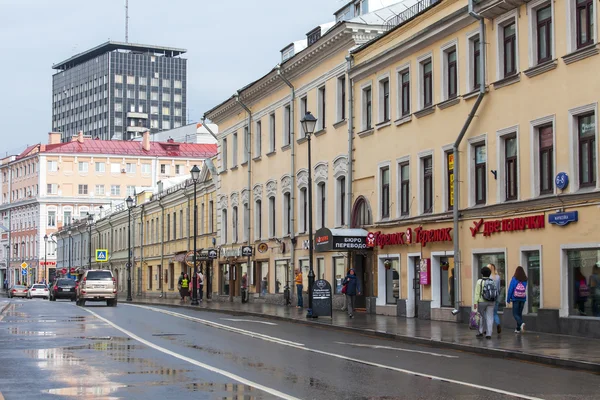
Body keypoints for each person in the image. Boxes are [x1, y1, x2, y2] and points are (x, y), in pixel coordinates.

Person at [474, 266, 496, 339]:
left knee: (481, 317)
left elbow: (477, 293)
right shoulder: (492, 281)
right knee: (490, 317)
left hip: (481, 302)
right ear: (489, 274)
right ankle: (489, 334)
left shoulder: (479, 281)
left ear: (482, 273)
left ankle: (480, 332)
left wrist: (475, 303)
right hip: (491, 302)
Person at [506, 266, 528, 333]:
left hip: (515, 298)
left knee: (515, 314)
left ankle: (521, 323)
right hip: (522, 298)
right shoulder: (525, 279)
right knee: (519, 314)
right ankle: (518, 329)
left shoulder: (514, 279)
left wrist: (508, 299)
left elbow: (511, 289)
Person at [488, 263, 502, 334]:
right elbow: (499, 289)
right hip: (496, 297)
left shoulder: (488, 277)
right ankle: (498, 324)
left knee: (488, 314)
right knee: (495, 313)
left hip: (490, 298)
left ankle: (488, 329)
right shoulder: (498, 277)